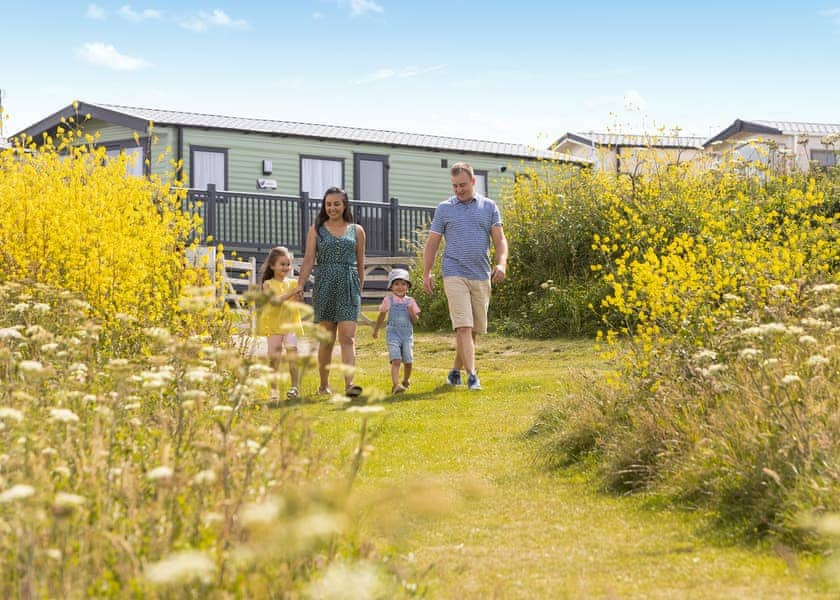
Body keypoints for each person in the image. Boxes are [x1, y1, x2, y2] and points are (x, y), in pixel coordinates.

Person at [422, 162, 508, 391]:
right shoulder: (444, 208)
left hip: (480, 274)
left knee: (473, 330)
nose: (458, 190)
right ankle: (472, 376)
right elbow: (433, 242)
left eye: (462, 185)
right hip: (453, 272)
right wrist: (427, 272)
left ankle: (454, 373)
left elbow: (500, 240)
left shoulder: (489, 207)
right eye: (454, 186)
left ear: (473, 181)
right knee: (463, 327)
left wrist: (501, 263)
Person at [296, 186, 366, 397]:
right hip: (325, 285)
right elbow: (309, 260)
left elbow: (361, 263)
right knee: (327, 339)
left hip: (349, 285)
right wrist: (300, 284)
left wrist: (359, 289)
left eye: (337, 204)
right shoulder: (316, 230)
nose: (332, 208)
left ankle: (349, 385)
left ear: (344, 205)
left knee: (348, 337)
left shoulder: (357, 230)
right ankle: (323, 385)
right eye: (328, 204)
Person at [255, 246, 304, 400]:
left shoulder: (294, 283)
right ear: (272, 266)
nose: (286, 267)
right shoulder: (268, 284)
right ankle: (274, 390)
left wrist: (298, 296)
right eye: (282, 264)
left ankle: (295, 387)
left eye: (288, 264)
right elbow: (275, 302)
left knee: (292, 354)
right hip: (273, 325)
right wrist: (291, 293)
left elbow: (298, 303)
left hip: (290, 324)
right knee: (275, 358)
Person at [372, 268, 420, 394]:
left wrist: (411, 313)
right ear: (391, 286)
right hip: (393, 334)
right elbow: (382, 315)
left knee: (408, 360)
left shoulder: (411, 301)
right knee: (396, 360)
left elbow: (416, 321)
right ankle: (396, 385)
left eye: (403, 284)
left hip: (407, 335)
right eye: (396, 284)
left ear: (408, 286)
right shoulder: (388, 300)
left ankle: (406, 380)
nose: (400, 287)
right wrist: (376, 330)